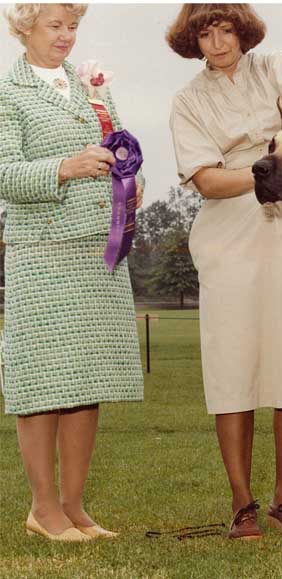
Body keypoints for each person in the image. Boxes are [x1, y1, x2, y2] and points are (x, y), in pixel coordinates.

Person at [167, 4, 282, 540]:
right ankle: (242, 504)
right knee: (233, 367)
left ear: (242, 32)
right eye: (205, 33)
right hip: (229, 237)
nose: (218, 42)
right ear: (191, 41)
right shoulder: (188, 100)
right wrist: (268, 168)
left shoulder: (273, 67)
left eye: (225, 29)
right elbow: (207, 180)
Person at [0, 4, 144, 541]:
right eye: (55, 26)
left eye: (73, 26)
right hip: (41, 253)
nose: (66, 36)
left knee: (86, 380)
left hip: (98, 254)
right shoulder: (8, 93)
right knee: (41, 382)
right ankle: (42, 508)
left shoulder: (93, 87)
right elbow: (4, 173)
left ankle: (74, 505)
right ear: (25, 28)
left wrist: (130, 189)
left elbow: (120, 154)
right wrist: (67, 166)